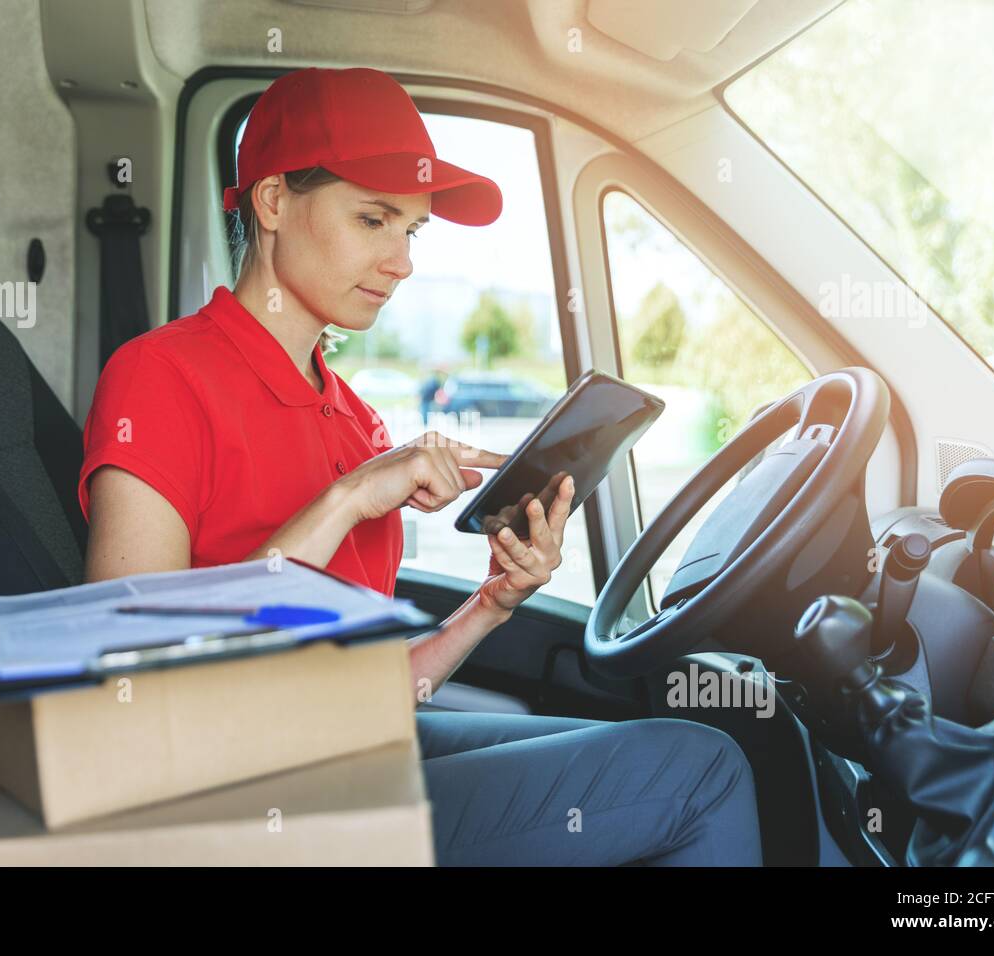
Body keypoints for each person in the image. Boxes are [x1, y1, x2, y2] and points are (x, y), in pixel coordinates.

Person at [77, 66, 761, 866]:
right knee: (699, 773)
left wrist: (494, 603)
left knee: (654, 741)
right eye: (373, 219)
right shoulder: (160, 376)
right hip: (235, 797)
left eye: (412, 231)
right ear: (271, 202)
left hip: (346, 745)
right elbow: (125, 673)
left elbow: (374, 689)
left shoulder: (353, 415)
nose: (401, 262)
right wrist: (348, 499)